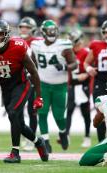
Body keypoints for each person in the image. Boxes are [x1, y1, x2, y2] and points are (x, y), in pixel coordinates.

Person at [0, 19, 49, 163]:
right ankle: (38, 142)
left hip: (22, 84)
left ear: (7, 35)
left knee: (12, 112)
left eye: (1, 34)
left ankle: (15, 153)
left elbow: (34, 71)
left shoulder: (18, 47)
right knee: (18, 122)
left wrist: (39, 96)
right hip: (6, 89)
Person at [31, 19, 77, 153]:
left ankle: (63, 132)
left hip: (60, 86)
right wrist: (30, 74)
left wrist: (64, 66)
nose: (51, 33)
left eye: (53, 31)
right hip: (42, 85)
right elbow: (32, 62)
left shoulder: (64, 45)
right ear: (43, 32)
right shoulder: (36, 45)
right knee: (42, 113)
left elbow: (74, 64)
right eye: (49, 31)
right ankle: (45, 141)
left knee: (59, 116)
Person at [18, 16, 42, 151]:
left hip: (32, 79)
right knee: (17, 110)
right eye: (22, 27)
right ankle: (23, 132)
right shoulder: (15, 41)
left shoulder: (37, 42)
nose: (24, 29)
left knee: (32, 111)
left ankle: (30, 138)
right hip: (18, 81)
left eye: (27, 27)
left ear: (32, 29)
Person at [66, 29, 91, 148]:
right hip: (72, 85)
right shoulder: (68, 52)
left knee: (85, 112)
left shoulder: (85, 52)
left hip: (83, 85)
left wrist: (86, 74)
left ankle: (87, 136)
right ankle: (66, 135)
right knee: (69, 110)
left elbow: (92, 67)